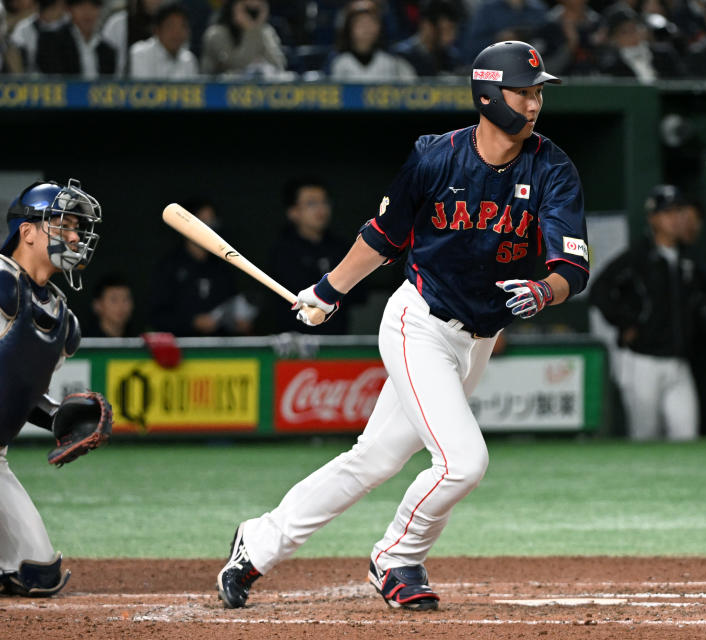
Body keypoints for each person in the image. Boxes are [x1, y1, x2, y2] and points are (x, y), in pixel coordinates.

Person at [215, 40, 589, 611]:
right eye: (523, 91)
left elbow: (572, 266)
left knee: (375, 459)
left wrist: (545, 290)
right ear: (488, 93)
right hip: (420, 322)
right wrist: (329, 291)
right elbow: (383, 238)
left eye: (538, 92)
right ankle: (397, 555)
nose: (534, 103)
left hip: (478, 339)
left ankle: (257, 542)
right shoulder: (435, 157)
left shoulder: (552, 167)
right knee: (464, 463)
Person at [0, 179, 106, 597]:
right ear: (27, 232)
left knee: (38, 575)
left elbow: (16, 388)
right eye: (63, 226)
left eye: (78, 228)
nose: (76, 237)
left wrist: (56, 417)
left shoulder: (62, 320)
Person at [589, 185, 706, 441]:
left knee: (686, 434)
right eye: (668, 212)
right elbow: (599, 291)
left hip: (678, 362)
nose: (675, 218)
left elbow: (701, 306)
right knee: (645, 436)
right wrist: (627, 322)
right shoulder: (638, 257)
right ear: (653, 218)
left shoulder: (689, 261)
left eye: (679, 211)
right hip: (642, 361)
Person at [150, 199, 257, 336]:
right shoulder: (168, 267)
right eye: (203, 222)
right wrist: (192, 322)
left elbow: (233, 311)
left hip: (220, 352)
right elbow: (157, 317)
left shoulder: (223, 267)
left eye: (212, 222)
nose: (209, 228)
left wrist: (239, 323)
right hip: (181, 351)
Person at [268, 178, 355, 334]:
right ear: (293, 212)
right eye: (311, 203)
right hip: (293, 342)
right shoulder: (281, 250)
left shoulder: (341, 247)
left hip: (336, 339)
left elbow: (359, 295)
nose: (321, 209)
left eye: (325, 202)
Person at [327, 0, 416, 81]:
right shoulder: (338, 62)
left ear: (379, 27)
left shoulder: (391, 62)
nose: (366, 29)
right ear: (349, 28)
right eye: (360, 23)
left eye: (371, 23)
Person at [596, 5, 685, 80]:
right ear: (614, 38)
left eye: (635, 28)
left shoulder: (665, 55)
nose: (632, 35)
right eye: (624, 32)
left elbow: (682, 84)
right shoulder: (612, 68)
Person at [200, 0, 285, 76]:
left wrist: (254, 29)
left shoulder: (265, 32)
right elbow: (238, 66)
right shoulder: (216, 34)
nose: (250, 13)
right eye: (246, 7)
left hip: (259, 92)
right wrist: (251, 31)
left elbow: (279, 65)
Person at [34, 0, 116, 77]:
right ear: (69, 10)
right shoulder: (51, 42)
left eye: (93, 6)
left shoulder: (108, 50)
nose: (87, 12)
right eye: (81, 6)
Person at [389, 0, 462, 77]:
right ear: (427, 25)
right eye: (446, 30)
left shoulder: (451, 58)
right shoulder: (402, 56)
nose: (452, 36)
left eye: (454, 30)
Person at [128, 0, 198, 79]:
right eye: (171, 26)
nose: (177, 33)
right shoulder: (140, 53)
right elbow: (142, 89)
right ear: (157, 30)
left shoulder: (189, 60)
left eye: (183, 26)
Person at [85, 272, 135, 337]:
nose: (121, 306)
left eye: (125, 299)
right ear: (97, 305)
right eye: (114, 300)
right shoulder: (83, 342)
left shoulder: (140, 341)